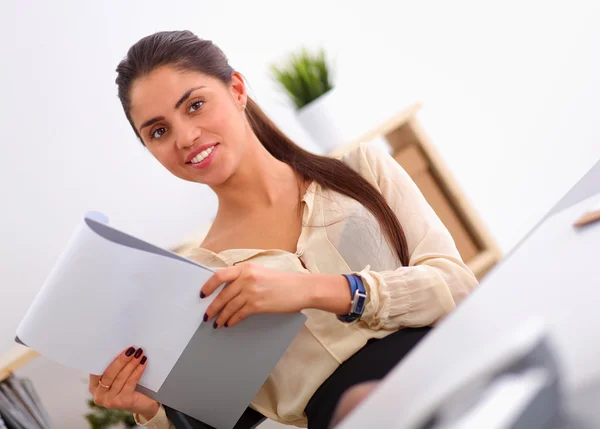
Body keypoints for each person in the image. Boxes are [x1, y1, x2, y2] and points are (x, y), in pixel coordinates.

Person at [88, 30, 478, 429]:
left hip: (460, 369)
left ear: (237, 89)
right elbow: (219, 417)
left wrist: (314, 290)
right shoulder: (199, 279)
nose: (185, 137)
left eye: (195, 105)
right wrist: (152, 412)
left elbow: (457, 285)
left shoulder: (364, 171)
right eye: (158, 132)